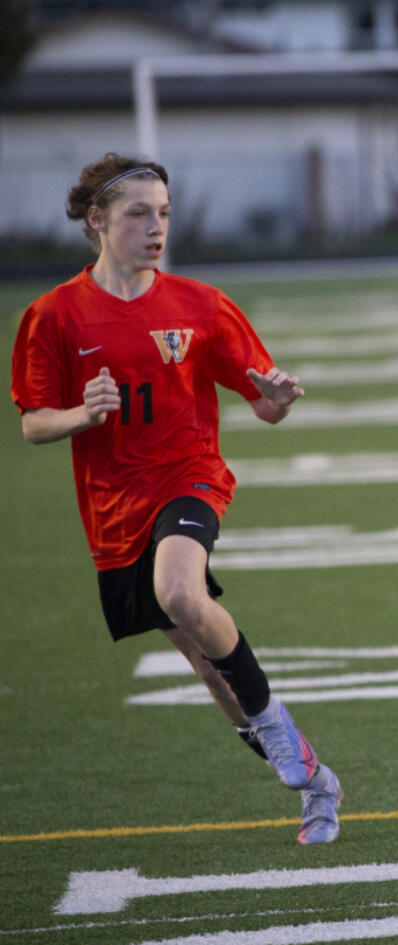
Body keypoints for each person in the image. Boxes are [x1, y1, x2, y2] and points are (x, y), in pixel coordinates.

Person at [10, 153, 342, 845]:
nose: (156, 226)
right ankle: (316, 782)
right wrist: (81, 413)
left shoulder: (200, 306)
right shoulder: (53, 316)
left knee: (182, 593)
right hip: (113, 511)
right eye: (139, 213)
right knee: (208, 668)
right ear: (98, 220)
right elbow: (34, 421)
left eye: (163, 212)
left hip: (189, 476)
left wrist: (275, 400)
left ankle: (283, 740)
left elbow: (263, 403)